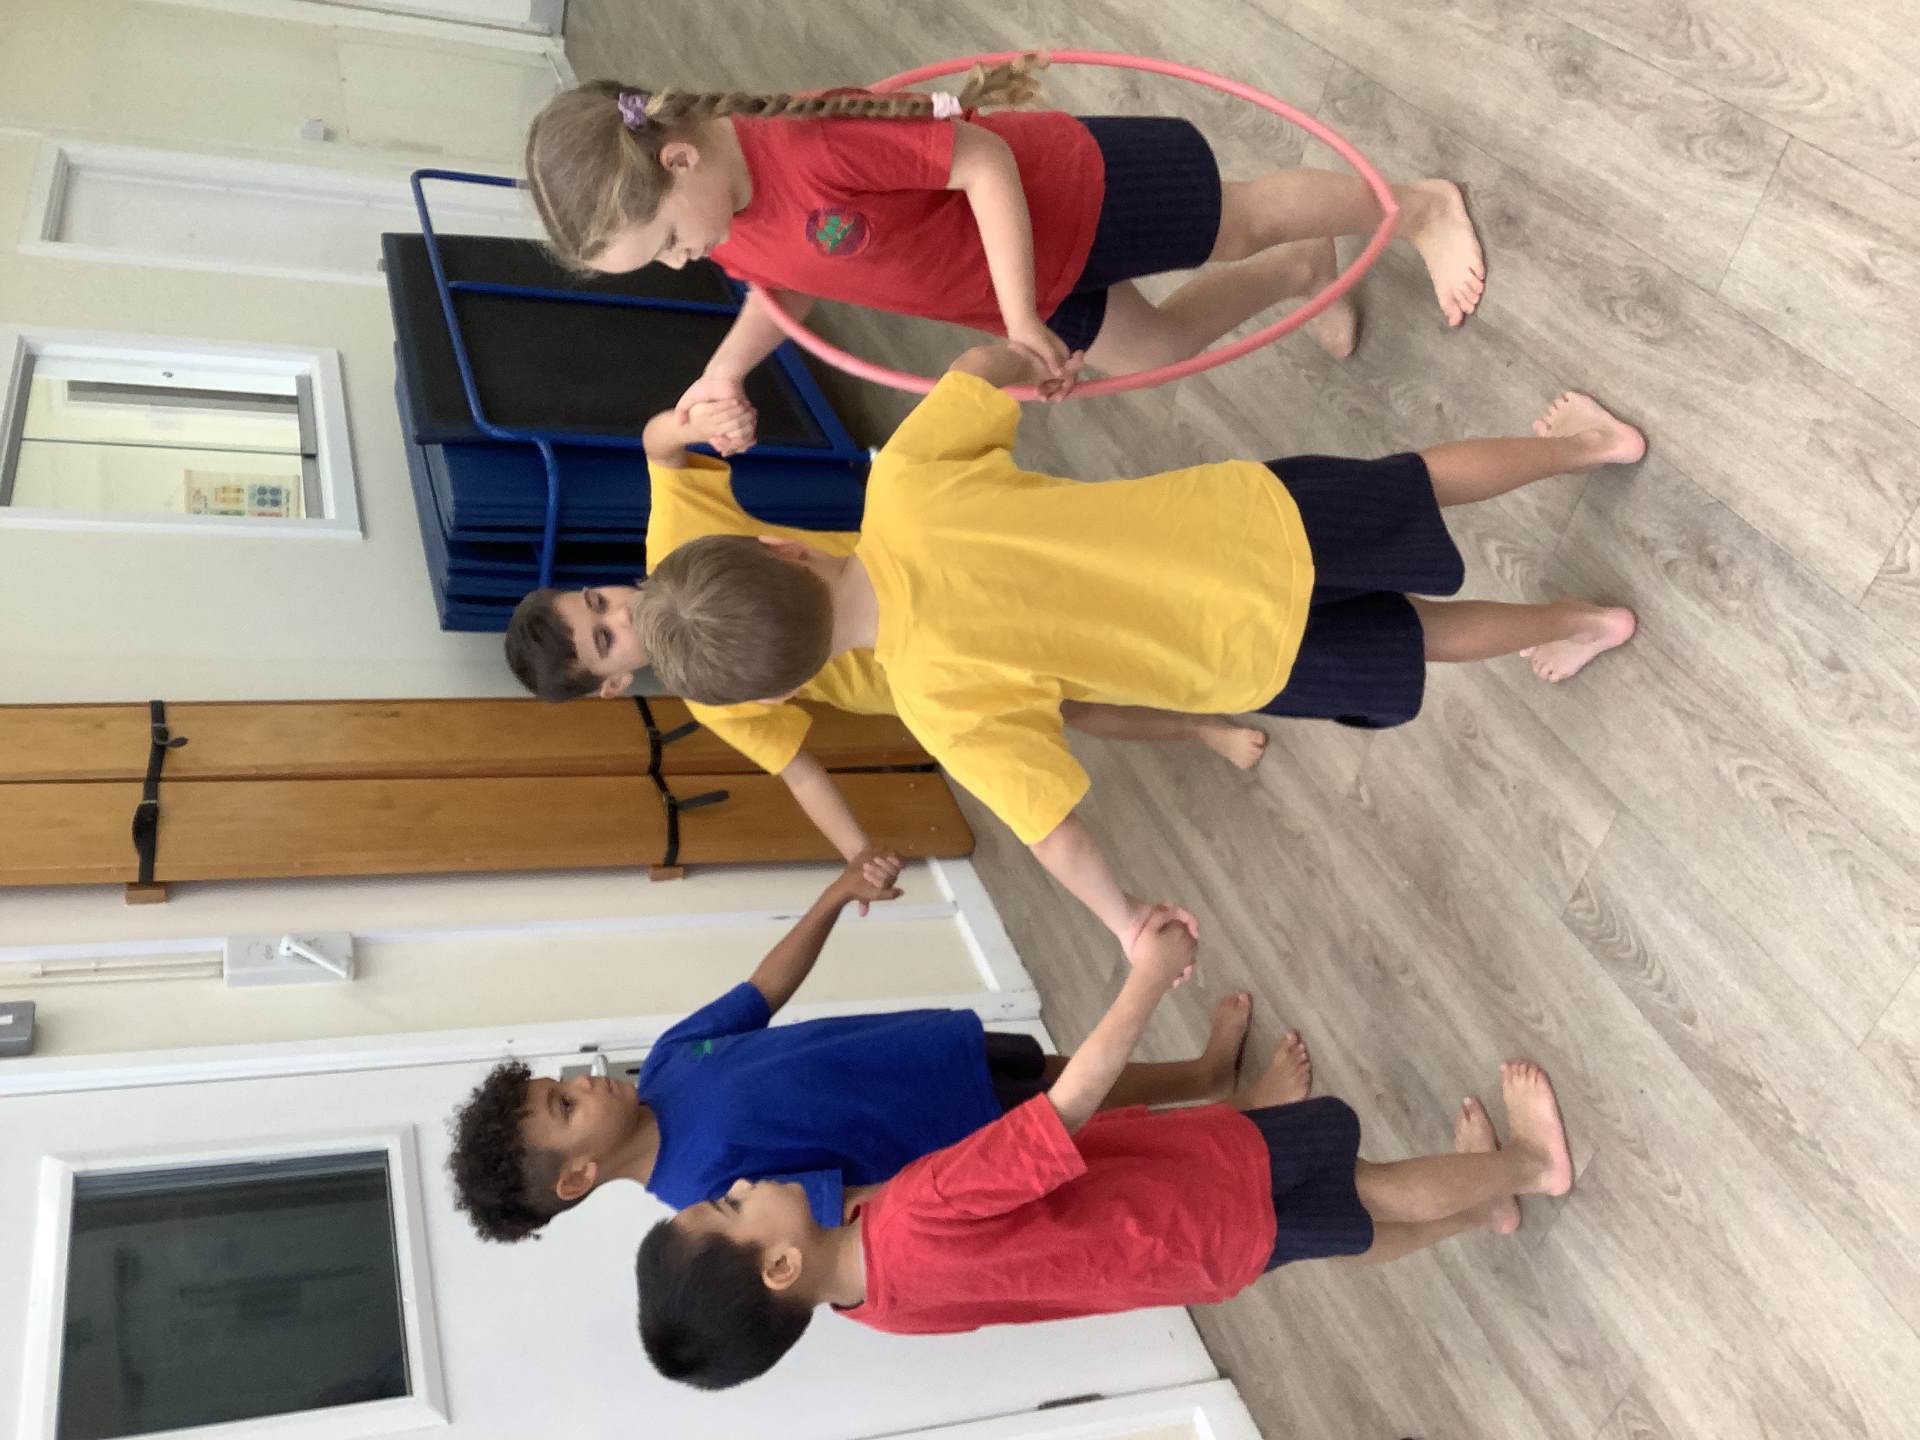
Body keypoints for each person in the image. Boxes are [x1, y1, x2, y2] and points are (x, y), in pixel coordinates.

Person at [634, 345, 1642, 958]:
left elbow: (1056, 836)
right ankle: (1588, 445)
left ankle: (1578, 624)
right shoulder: (902, 483)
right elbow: (982, 369)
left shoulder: (938, 707)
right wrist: (1033, 357)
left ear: (795, 684)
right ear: (783, 546)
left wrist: (1123, 922)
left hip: (1241, 662)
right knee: (1415, 483)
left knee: (1416, 635)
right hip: (1239, 522)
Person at [635, 906, 1573, 1389]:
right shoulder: (916, 1211)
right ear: (779, 1265)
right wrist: (1147, 980)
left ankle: (1483, 1208)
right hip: (1198, 1194)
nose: (742, 1180)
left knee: (1342, 1229)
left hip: (1190, 1258)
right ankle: (1533, 1164)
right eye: (731, 1204)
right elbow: (1067, 1105)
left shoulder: (870, 1307)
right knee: (1368, 1188)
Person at [523, 53, 1486, 453]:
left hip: (1068, 194)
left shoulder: (809, 146)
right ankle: (1307, 269)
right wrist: (725, 371)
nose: (682, 262)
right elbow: (787, 288)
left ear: (680, 160)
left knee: (1238, 221)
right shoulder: (727, 226)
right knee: (1155, 349)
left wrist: (1020, 314)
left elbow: (982, 161)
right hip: (1018, 290)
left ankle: (1417, 207)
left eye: (665, 243)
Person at [503, 394, 1271, 859]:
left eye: (596, 600)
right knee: (1080, 696)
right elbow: (800, 771)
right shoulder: (714, 702)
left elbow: (657, 451)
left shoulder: (675, 543)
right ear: (614, 683)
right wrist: (857, 849)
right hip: (932, 670)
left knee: (1077, 604)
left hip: (917, 572)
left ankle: (1212, 608)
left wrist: (691, 419)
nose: (619, 610)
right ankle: (1200, 725)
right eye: (606, 638)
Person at [446, 852, 1254, 1242]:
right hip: (952, 1137)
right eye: (565, 1105)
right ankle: (1221, 1114)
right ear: (578, 1176)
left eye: (562, 1082)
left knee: (1059, 1070)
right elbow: (860, 1203)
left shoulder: (666, 1061)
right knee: (1083, 1123)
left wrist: (835, 895)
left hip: (926, 1055)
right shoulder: (708, 1197)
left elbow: (763, 989)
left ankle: (1204, 1075)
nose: (586, 1083)